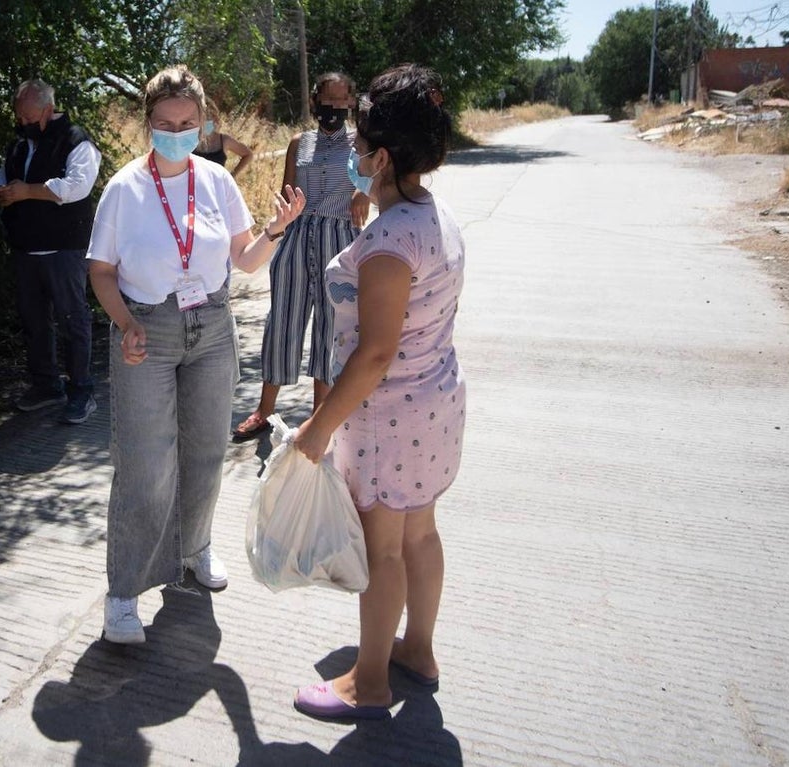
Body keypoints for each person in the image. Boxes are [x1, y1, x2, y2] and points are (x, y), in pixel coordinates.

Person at [87, 65, 305, 644]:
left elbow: (245, 260)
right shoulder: (124, 189)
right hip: (147, 329)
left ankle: (193, 548)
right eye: (165, 124)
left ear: (204, 123)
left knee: (207, 451)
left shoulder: (215, 181)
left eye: (187, 123)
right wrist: (126, 323)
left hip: (211, 326)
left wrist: (276, 229)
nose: (176, 133)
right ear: (148, 123)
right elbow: (101, 271)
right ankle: (124, 593)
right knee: (145, 465)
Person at [290, 64, 465, 720]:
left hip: (389, 418)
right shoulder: (436, 215)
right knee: (420, 533)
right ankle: (417, 649)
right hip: (435, 404)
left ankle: (368, 682)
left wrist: (318, 429)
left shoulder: (390, 241)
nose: (354, 157)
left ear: (382, 157)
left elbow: (374, 354)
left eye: (361, 147)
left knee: (383, 546)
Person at [231, 71, 369, 442]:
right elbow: (286, 192)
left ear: (351, 103)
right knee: (282, 320)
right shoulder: (299, 143)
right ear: (314, 102)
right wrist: (277, 229)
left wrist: (364, 191)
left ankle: (318, 416)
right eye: (327, 100)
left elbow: (380, 176)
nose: (333, 107)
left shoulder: (362, 142)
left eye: (341, 100)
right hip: (296, 236)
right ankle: (264, 411)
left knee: (330, 324)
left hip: (339, 238)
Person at [0, 79, 101, 424]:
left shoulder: (77, 141)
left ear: (48, 110)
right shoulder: (19, 144)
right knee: (34, 322)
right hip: (25, 249)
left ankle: (81, 391)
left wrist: (27, 191)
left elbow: (77, 187)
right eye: (18, 116)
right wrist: (2, 191)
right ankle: (46, 386)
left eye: (28, 117)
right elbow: (2, 176)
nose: (22, 122)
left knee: (73, 320)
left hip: (64, 249)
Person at [192, 97, 253, 177]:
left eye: (207, 119)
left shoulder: (224, 141)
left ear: (215, 119)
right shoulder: (190, 139)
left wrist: (232, 176)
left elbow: (248, 154)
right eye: (199, 120)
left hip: (216, 185)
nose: (202, 124)